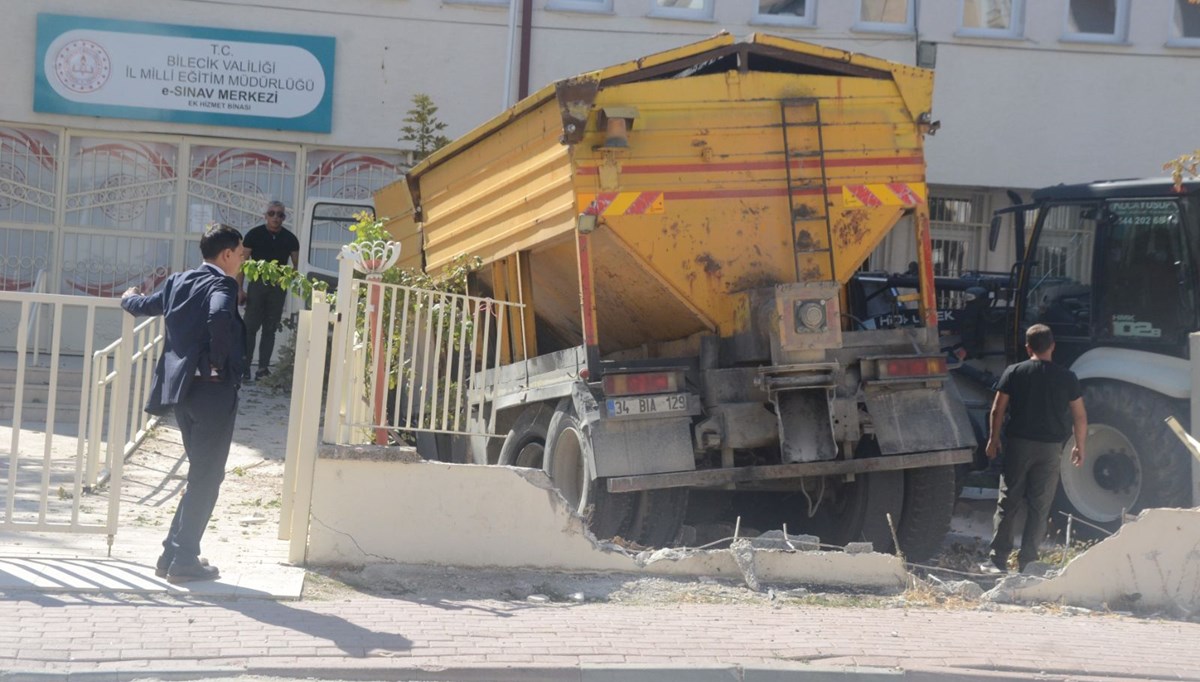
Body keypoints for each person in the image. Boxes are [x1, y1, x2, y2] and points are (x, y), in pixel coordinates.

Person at [121, 223, 247, 584]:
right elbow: (220, 316)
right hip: (212, 391)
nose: (241, 259)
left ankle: (171, 554)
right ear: (226, 255)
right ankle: (185, 559)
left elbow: (141, 305)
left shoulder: (177, 281)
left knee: (201, 474)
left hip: (182, 394)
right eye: (239, 253)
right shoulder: (222, 283)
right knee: (207, 476)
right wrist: (219, 363)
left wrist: (128, 296)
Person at [982, 323, 1087, 574]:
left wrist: (993, 438)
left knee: (1008, 502)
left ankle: (997, 560)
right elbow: (1079, 416)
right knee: (1040, 506)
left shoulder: (1015, 372)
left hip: (1019, 446)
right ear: (1053, 346)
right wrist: (1079, 446)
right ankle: (1028, 562)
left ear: (1028, 347)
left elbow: (998, 408)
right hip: (1051, 449)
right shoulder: (1067, 377)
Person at [241, 200, 300, 380]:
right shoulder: (253, 235)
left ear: (284, 217)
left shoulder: (290, 238)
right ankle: (244, 368)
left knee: (270, 329)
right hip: (257, 285)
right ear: (265, 216)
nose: (276, 217)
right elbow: (241, 265)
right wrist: (239, 290)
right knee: (249, 327)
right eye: (272, 213)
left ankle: (263, 369)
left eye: (280, 214)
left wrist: (286, 280)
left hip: (277, 288)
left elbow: (298, 266)